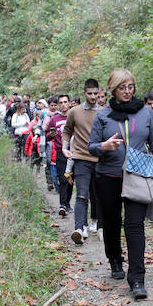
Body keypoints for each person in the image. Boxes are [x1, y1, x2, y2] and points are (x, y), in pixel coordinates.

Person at [88, 69, 153, 299]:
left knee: (134, 225)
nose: (127, 92)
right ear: (113, 89)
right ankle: (115, 259)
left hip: (138, 175)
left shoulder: (145, 113)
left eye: (130, 86)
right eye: (122, 87)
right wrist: (105, 147)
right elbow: (91, 146)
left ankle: (138, 278)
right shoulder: (103, 115)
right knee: (111, 223)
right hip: (108, 176)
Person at [63, 79, 102, 245]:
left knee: (99, 196)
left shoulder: (104, 112)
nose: (93, 97)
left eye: (95, 93)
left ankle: (100, 226)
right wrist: (65, 148)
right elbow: (67, 130)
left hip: (100, 159)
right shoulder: (74, 112)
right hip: (80, 158)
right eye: (90, 93)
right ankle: (79, 228)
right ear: (84, 93)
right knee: (81, 194)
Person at [47, 94, 72, 214]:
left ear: (69, 103)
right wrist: (50, 135)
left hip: (74, 152)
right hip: (60, 151)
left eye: (65, 102)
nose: (63, 104)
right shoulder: (54, 119)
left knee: (71, 179)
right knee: (62, 178)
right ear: (58, 105)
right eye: (60, 102)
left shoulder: (74, 117)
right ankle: (62, 205)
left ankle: (67, 202)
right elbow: (47, 134)